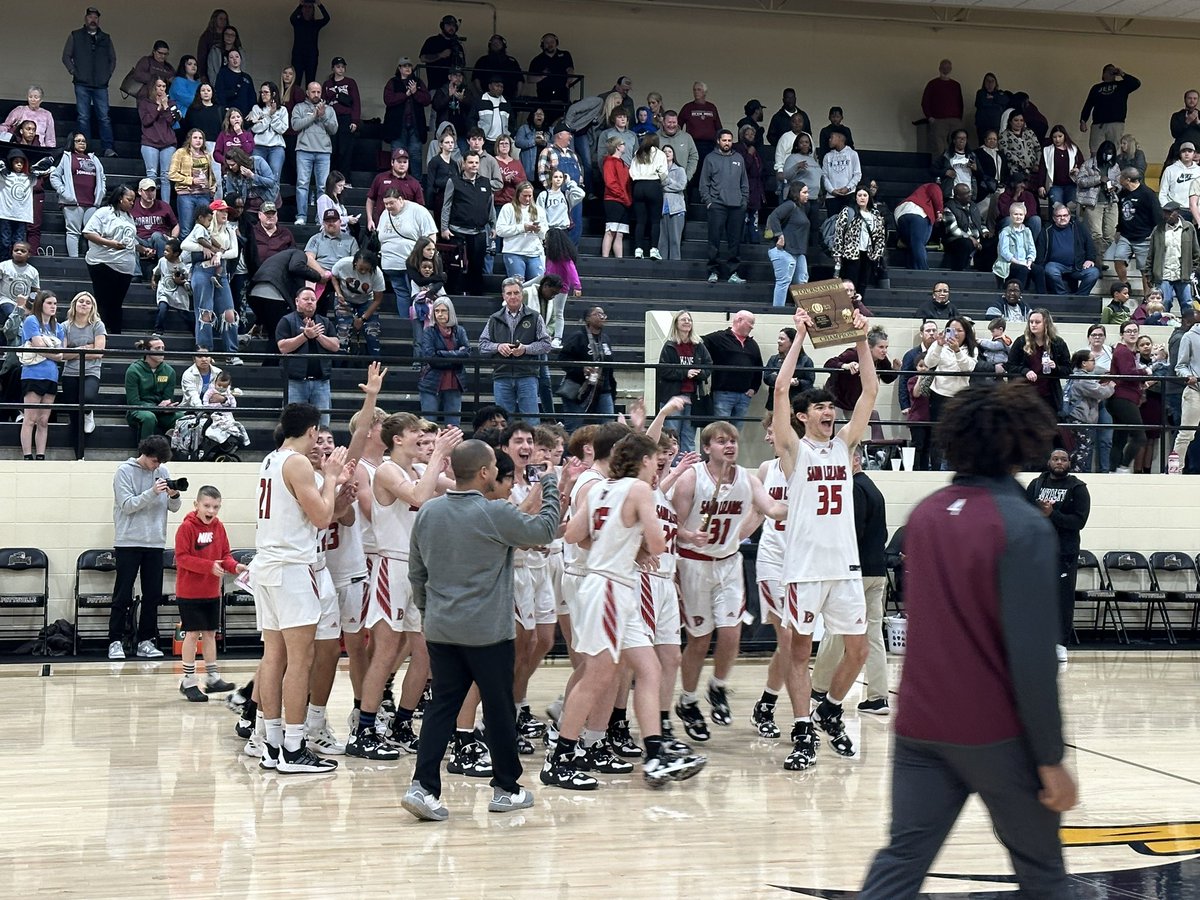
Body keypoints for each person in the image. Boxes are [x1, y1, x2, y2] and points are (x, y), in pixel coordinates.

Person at [858, 383, 1076, 898]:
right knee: (1042, 872)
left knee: (901, 860)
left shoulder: (926, 513)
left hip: (919, 725)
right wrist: (1050, 758)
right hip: (994, 733)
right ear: (1022, 441)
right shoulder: (1023, 525)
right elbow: (1032, 660)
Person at [401, 438, 559, 819]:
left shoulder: (429, 511)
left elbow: (416, 572)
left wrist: (428, 612)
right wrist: (551, 484)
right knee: (499, 706)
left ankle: (423, 787)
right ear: (485, 472)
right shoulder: (494, 512)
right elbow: (545, 529)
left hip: (441, 629)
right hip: (488, 633)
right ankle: (506, 788)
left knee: (441, 705)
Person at [765, 305, 877, 770]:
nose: (829, 411)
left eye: (831, 407)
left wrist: (862, 339)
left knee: (859, 650)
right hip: (806, 567)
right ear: (803, 416)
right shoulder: (794, 449)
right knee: (798, 650)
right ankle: (802, 729)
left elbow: (871, 390)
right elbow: (779, 390)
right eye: (820, 407)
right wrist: (799, 337)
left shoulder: (844, 444)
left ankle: (829, 708)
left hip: (844, 565)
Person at [251, 403, 348, 774]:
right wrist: (332, 478)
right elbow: (322, 518)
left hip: (267, 566)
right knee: (299, 659)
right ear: (312, 431)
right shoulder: (298, 463)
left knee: (273, 657)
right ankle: (294, 747)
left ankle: (272, 743)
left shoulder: (270, 460)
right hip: (291, 568)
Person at [109, 434, 182, 660]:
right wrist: (152, 492)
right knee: (123, 594)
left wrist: (174, 495)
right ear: (145, 454)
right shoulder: (124, 471)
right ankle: (115, 641)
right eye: (154, 461)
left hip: (155, 542)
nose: (157, 466)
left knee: (152, 595)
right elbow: (127, 505)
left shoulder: (163, 471)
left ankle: (146, 641)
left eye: (161, 462)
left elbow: (174, 508)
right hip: (128, 541)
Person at [174, 485, 244, 701]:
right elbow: (182, 558)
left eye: (216, 507)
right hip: (189, 592)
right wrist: (208, 567)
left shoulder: (219, 527)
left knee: (211, 633)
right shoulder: (186, 528)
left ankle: (213, 678)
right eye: (207, 506)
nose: (211, 511)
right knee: (192, 634)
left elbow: (225, 555)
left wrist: (235, 567)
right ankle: (188, 681)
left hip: (211, 591)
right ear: (196, 505)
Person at [479, 277, 552, 423]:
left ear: (522, 294)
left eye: (516, 293)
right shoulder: (494, 319)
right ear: (503, 296)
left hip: (527, 375)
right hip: (502, 375)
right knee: (503, 423)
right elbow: (482, 345)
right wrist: (498, 347)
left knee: (531, 421)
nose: (513, 296)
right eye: (509, 293)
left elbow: (546, 344)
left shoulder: (535, 316)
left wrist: (526, 349)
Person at [277, 287, 339, 425]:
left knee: (323, 424)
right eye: (306, 299)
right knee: (293, 424)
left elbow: (335, 346)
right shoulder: (286, 321)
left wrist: (318, 335)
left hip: (321, 382)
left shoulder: (325, 321)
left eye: (313, 299)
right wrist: (305, 335)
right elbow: (283, 347)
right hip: (295, 382)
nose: (310, 302)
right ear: (297, 301)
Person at [62, 7, 117, 158]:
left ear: (98, 20)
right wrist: (74, 72)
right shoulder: (75, 35)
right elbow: (66, 56)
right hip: (82, 83)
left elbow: (112, 59)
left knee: (104, 117)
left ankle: (108, 148)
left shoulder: (105, 38)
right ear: (85, 18)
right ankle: (84, 149)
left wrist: (107, 75)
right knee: (83, 117)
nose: (93, 20)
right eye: (90, 17)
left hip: (101, 84)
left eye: (95, 17)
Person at [83, 183, 137, 334]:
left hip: (126, 267)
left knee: (117, 303)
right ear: (120, 198)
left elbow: (129, 239)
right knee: (103, 301)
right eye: (129, 200)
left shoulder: (129, 217)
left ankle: (115, 334)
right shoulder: (104, 212)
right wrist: (111, 243)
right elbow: (88, 233)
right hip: (104, 263)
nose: (132, 203)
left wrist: (142, 249)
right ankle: (100, 334)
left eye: (133, 200)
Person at [441, 151, 496, 295]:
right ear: (464, 164)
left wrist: (493, 225)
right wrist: (444, 228)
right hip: (457, 231)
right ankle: (455, 296)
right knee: (456, 267)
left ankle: (476, 296)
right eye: (471, 162)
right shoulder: (454, 181)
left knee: (477, 266)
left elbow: (490, 206)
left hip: (479, 231)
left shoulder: (486, 182)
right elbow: (446, 206)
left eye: (476, 162)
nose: (474, 165)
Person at [17, 291, 64, 461]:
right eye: (49, 303)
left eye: (55, 303)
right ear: (40, 304)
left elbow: (62, 353)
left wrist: (51, 353)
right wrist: (53, 354)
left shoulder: (58, 327)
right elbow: (38, 345)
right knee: (30, 418)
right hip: (33, 374)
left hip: (51, 375)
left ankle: (41, 456)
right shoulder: (32, 320)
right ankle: (27, 456)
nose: (53, 306)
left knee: (44, 420)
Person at [60, 290, 107, 460]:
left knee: (87, 397)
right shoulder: (65, 326)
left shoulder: (97, 325)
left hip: (91, 371)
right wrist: (84, 348)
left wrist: (75, 351)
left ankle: (88, 412)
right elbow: (62, 354)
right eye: (81, 301)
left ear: (92, 307)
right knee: (74, 417)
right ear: (74, 304)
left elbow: (99, 352)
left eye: (88, 302)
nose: (84, 304)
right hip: (70, 373)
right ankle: (79, 456)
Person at [700, 130, 749, 284]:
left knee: (735, 242)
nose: (727, 143)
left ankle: (733, 273)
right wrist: (709, 202)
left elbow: (744, 182)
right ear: (718, 141)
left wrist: (744, 201)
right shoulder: (710, 158)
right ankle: (713, 271)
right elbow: (704, 183)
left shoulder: (739, 158)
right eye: (724, 140)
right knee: (714, 241)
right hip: (717, 205)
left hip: (737, 206)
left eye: (729, 140)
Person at [558, 306, 617, 427]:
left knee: (609, 427)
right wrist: (581, 368)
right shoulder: (578, 337)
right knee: (573, 426)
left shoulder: (605, 339)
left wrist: (612, 390)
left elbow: (609, 367)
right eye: (597, 314)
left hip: (603, 388)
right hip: (579, 388)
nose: (602, 317)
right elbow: (563, 359)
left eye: (603, 315)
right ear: (588, 319)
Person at [702, 310, 762, 430]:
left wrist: (754, 388)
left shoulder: (752, 344)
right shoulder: (718, 338)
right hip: (723, 394)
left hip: (744, 395)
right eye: (750, 322)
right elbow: (698, 343)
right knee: (720, 430)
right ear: (739, 320)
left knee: (736, 432)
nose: (752, 327)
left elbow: (758, 368)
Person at [1110, 166, 1163, 296]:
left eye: (1121, 177)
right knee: (1118, 259)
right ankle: (1125, 284)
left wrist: (1154, 235)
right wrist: (1118, 229)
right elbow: (1121, 214)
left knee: (1145, 270)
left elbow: (1158, 217)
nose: (1119, 179)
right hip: (1126, 235)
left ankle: (1147, 296)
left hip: (1144, 237)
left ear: (1127, 179)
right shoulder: (1123, 193)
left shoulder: (1148, 194)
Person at [417, 297, 470, 426]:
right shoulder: (429, 332)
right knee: (428, 425)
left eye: (443, 311)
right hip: (431, 382)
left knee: (453, 426)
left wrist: (441, 353)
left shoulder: (460, 331)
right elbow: (431, 358)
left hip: (455, 382)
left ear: (450, 312)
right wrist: (455, 356)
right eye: (437, 311)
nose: (440, 314)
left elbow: (467, 353)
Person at [291, 82, 338, 225]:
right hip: (304, 150)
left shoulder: (329, 109)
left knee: (323, 186)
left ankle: (321, 218)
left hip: (323, 151)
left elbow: (334, 129)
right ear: (307, 93)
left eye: (318, 92)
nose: (316, 95)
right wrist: (314, 116)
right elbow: (295, 126)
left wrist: (323, 116)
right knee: (302, 184)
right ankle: (301, 216)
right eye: (313, 92)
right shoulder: (299, 107)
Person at [1062, 349, 1114, 474]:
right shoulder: (1083, 379)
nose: (1094, 364)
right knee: (1082, 450)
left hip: (1076, 418)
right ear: (1084, 363)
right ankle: (1076, 473)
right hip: (1081, 418)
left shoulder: (1076, 376)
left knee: (1080, 448)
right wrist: (1111, 386)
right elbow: (1101, 392)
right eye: (1093, 361)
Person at [832, 186, 887, 299]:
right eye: (860, 195)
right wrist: (837, 252)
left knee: (863, 282)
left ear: (869, 197)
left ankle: (859, 304)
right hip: (851, 253)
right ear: (855, 197)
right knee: (850, 282)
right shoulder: (848, 211)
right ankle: (847, 304)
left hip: (868, 253)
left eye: (865, 195)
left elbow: (880, 235)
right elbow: (839, 233)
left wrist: (878, 253)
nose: (862, 198)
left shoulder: (875, 213)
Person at [1034, 204, 1100, 296]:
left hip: (1078, 266)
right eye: (1059, 216)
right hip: (1056, 266)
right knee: (1050, 269)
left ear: (1069, 216)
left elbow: (1090, 244)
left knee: (1094, 273)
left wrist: (1090, 259)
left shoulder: (1078, 227)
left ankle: (1080, 297)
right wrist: (1040, 265)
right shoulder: (1046, 230)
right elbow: (1040, 249)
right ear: (1054, 218)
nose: (1062, 218)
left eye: (1065, 215)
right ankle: (1063, 296)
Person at [1074, 140, 1121, 264]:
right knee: (1096, 235)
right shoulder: (1088, 164)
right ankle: (1098, 263)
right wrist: (1098, 179)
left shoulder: (1115, 166)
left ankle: (1096, 257)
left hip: (1111, 202)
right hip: (1093, 203)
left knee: (1110, 235)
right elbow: (1080, 181)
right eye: (1106, 153)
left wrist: (1115, 187)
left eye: (1110, 153)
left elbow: (1119, 182)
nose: (1108, 155)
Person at [383, 59, 431, 179]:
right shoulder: (393, 82)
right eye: (404, 66)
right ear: (399, 68)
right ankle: (396, 183)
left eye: (409, 66)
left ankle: (417, 185)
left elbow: (427, 100)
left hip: (415, 126)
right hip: (397, 126)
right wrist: (405, 95)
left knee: (415, 155)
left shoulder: (418, 82)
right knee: (398, 156)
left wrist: (415, 92)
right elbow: (388, 99)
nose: (408, 68)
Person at [1148, 201, 1200, 312]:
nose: (1166, 215)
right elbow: (1151, 253)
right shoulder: (1158, 229)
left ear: (1177, 212)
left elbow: (1196, 252)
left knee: (1187, 303)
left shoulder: (1188, 228)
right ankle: (1164, 322)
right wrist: (1149, 274)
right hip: (1164, 274)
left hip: (1183, 274)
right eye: (1165, 212)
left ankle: (1188, 322)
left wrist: (1193, 270)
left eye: (1169, 213)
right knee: (1165, 302)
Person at [766, 183, 811, 306]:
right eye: (804, 192)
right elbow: (773, 216)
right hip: (784, 250)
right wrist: (779, 235)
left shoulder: (801, 208)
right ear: (796, 193)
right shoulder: (789, 205)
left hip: (798, 250)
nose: (807, 195)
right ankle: (778, 311)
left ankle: (801, 310)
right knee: (783, 281)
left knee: (802, 281)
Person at [1080, 64, 1140, 155]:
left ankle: (1112, 164)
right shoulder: (1096, 88)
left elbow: (1136, 83)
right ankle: (1095, 164)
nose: (1111, 72)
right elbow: (1088, 104)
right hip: (1098, 124)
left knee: (1114, 150)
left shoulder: (1122, 85)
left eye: (1112, 70)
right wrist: (1083, 120)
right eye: (1108, 70)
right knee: (1095, 150)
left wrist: (1122, 74)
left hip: (1116, 123)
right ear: (1103, 74)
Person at [169, 129, 217, 239]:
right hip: (186, 194)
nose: (198, 140)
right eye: (195, 137)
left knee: (204, 228)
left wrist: (213, 187)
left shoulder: (206, 154)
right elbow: (172, 174)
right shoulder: (181, 153)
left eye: (200, 138)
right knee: (186, 229)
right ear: (189, 139)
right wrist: (191, 180)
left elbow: (211, 174)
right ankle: (184, 250)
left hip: (204, 194)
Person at [495, 181, 546, 279]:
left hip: (534, 253)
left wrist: (538, 230)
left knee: (537, 284)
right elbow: (500, 230)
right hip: (514, 252)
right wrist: (523, 228)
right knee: (517, 283)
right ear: (518, 194)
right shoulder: (508, 208)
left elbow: (545, 234)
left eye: (530, 196)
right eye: (524, 196)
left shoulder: (539, 210)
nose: (527, 199)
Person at [763, 327, 815, 412]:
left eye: (782, 339)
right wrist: (783, 379)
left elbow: (809, 382)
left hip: (796, 404)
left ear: (792, 342)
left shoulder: (806, 360)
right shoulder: (774, 359)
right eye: (779, 338)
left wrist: (797, 382)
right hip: (775, 403)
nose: (778, 341)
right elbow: (767, 378)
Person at [921, 58, 964, 156]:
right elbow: (925, 102)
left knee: (957, 147)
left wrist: (959, 118)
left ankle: (955, 165)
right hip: (938, 121)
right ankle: (939, 165)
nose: (946, 69)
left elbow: (960, 103)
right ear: (939, 68)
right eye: (944, 67)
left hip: (955, 121)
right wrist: (930, 117)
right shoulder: (932, 84)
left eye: (948, 67)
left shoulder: (956, 85)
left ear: (951, 69)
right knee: (939, 148)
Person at [992, 202, 1036, 290]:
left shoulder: (1027, 231)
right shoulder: (1005, 232)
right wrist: (1020, 262)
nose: (1018, 217)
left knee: (1039, 270)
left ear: (1024, 215)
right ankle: (1019, 294)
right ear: (1010, 215)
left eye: (1021, 214)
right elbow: (1004, 252)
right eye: (1016, 214)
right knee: (1023, 269)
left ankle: (1041, 295)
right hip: (1009, 263)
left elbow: (1032, 249)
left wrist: (1029, 262)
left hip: (1025, 262)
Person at [420, 15, 467, 93]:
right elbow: (423, 58)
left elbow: (462, 65)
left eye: (453, 26)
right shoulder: (432, 41)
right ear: (442, 26)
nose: (451, 28)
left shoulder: (457, 45)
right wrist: (440, 55)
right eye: (448, 25)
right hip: (436, 87)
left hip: (455, 88)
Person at [527, 33, 574, 107]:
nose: (550, 44)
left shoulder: (565, 55)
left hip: (562, 94)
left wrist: (570, 79)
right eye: (547, 42)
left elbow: (570, 69)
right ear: (542, 45)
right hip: (544, 96)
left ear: (556, 43)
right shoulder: (537, 60)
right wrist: (541, 76)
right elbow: (530, 79)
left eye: (552, 42)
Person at [290, 1, 330, 85]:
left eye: (310, 7)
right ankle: (296, 95)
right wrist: (301, 5)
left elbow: (327, 18)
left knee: (310, 81)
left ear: (313, 10)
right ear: (302, 9)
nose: (307, 9)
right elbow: (292, 18)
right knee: (296, 81)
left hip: (311, 56)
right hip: (298, 56)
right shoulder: (297, 22)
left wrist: (319, 4)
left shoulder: (315, 24)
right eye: (305, 7)